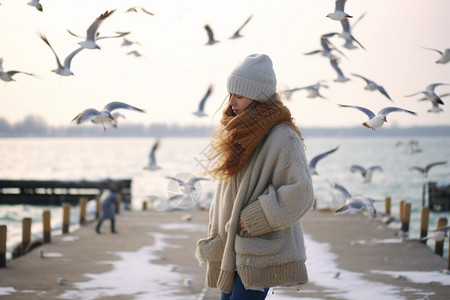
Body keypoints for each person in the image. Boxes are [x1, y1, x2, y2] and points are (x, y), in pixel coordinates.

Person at [195, 54, 314, 299]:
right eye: (230, 94)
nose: (231, 102)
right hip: (231, 249)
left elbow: (301, 193)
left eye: (239, 95)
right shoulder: (237, 133)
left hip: (258, 250)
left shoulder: (283, 137)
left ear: (258, 96)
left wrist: (254, 217)